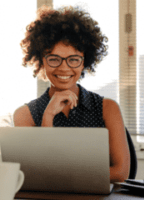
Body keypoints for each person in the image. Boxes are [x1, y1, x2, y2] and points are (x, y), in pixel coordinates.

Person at [13, 5, 130, 183]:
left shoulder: (108, 108)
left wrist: (63, 177)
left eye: (73, 59)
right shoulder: (24, 115)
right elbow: (35, 172)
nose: (64, 68)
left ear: (84, 62)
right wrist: (48, 117)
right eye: (54, 59)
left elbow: (121, 172)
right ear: (41, 61)